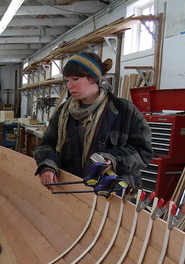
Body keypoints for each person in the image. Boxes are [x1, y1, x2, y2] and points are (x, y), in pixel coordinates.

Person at [34, 53, 153, 191]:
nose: (69, 85)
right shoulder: (63, 113)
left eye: (75, 79)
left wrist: (113, 160)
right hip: (73, 190)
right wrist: (47, 165)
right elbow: (46, 144)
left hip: (113, 192)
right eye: (67, 80)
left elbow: (143, 151)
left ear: (92, 78)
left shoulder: (124, 111)